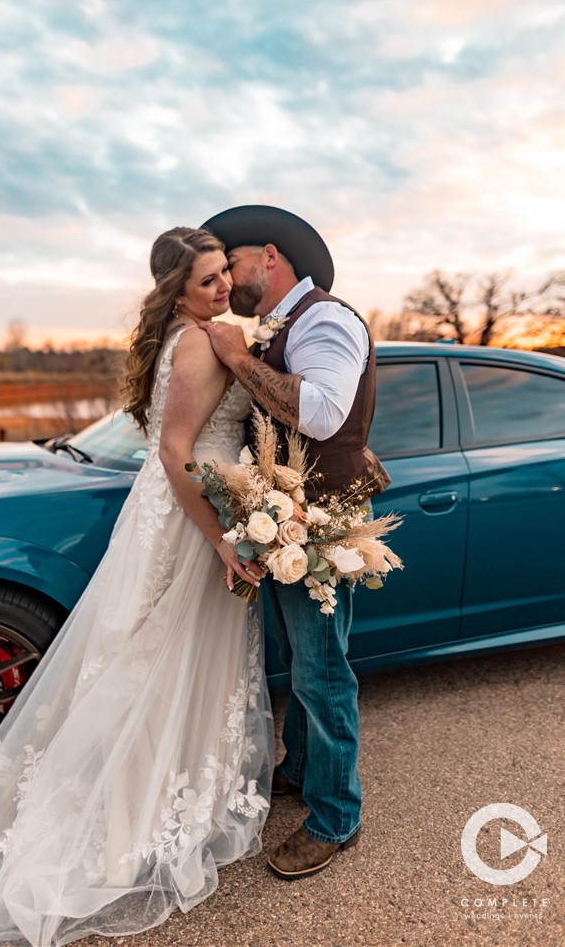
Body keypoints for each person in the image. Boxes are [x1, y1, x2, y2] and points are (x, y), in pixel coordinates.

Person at [0, 227, 273, 947]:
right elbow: (175, 452)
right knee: (158, 669)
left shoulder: (191, 334)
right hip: (188, 519)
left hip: (170, 512)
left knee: (148, 663)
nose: (221, 288)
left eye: (221, 275)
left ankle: (145, 803)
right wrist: (220, 539)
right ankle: (130, 825)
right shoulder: (200, 341)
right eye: (205, 281)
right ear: (176, 291)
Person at [199, 205, 390, 881]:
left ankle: (336, 818)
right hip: (288, 520)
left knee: (320, 670)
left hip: (319, 524)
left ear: (270, 256)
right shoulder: (284, 327)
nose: (226, 276)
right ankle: (304, 767)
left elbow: (320, 411)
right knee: (309, 655)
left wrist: (234, 359)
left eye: (233, 262)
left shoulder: (327, 320)